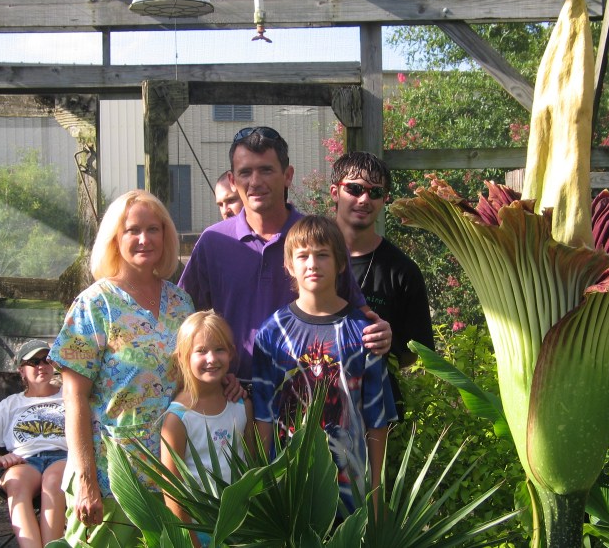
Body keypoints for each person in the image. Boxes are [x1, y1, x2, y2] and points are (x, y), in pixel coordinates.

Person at [179, 127, 392, 384]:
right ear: (233, 181)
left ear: (288, 175)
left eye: (266, 170)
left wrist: (378, 332)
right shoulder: (214, 242)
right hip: (232, 393)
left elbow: (354, 308)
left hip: (305, 392)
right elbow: (182, 318)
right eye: (245, 172)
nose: (255, 182)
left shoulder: (319, 239)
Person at [50, 190, 202, 547]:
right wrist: (86, 479)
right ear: (115, 239)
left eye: (153, 229)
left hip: (169, 477)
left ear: (166, 236)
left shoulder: (181, 303)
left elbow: (189, 380)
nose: (144, 239)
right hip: (110, 479)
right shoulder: (94, 304)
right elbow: (74, 396)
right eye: (133, 230)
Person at [252, 215, 396, 515]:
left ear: (341, 263)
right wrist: (262, 485)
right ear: (289, 265)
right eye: (302, 256)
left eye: (322, 255)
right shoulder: (272, 333)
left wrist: (376, 491)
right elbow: (263, 416)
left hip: (351, 494)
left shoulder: (363, 332)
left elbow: (377, 420)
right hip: (287, 489)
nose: (312, 264)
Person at [330, 151, 435, 419]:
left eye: (375, 192)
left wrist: (390, 343)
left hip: (376, 411)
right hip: (312, 401)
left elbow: (417, 352)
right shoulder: (305, 258)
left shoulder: (402, 271)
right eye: (354, 189)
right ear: (334, 192)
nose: (364, 199)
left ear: (385, 199)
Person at [0, 339, 67, 548]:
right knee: (16, 484)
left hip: (63, 457)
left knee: (53, 482)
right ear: (21, 370)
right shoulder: (10, 405)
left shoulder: (68, 395)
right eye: (33, 362)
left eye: (46, 360)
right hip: (25, 461)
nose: (41, 366)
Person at [161, 311, 253, 548]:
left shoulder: (242, 406)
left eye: (219, 349)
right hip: (198, 532)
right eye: (201, 351)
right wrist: (190, 542)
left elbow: (252, 466)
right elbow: (172, 488)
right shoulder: (177, 419)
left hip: (241, 529)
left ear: (231, 352)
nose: (211, 358)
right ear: (183, 357)